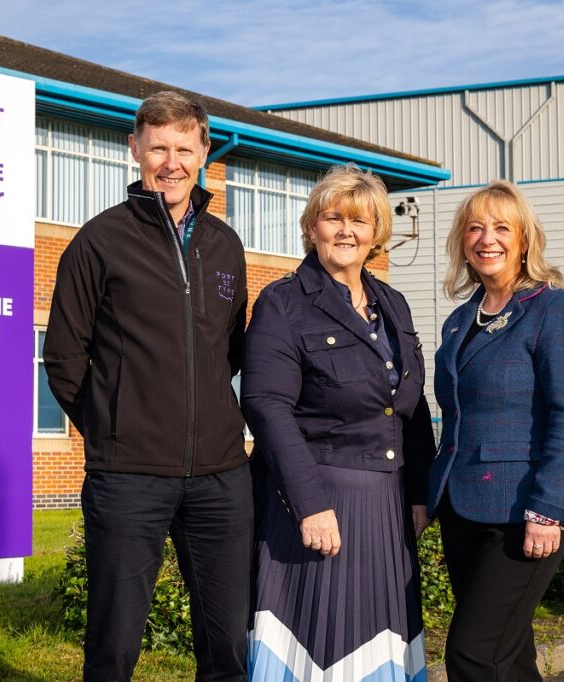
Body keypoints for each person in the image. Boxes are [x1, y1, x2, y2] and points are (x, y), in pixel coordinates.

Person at [43, 91, 251, 682]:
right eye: (158, 148)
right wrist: (114, 430)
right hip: (128, 477)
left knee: (228, 643)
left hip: (220, 477)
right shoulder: (98, 242)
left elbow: (230, 353)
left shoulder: (225, 246)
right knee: (113, 643)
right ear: (134, 149)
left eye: (184, 148)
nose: (172, 162)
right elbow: (63, 357)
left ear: (205, 151)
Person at [242, 165, 436, 681]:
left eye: (359, 221)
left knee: (380, 641)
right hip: (320, 503)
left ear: (376, 234)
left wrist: (420, 492)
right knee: (321, 646)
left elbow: (410, 407)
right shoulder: (282, 303)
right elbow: (266, 404)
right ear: (312, 228)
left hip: (387, 507)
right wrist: (311, 506)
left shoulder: (392, 303)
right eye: (334, 218)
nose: (346, 231)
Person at [428, 180, 564, 681]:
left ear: (525, 240)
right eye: (475, 228)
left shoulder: (556, 309)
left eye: (502, 228)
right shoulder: (460, 321)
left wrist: (548, 507)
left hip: (524, 511)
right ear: (463, 241)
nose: (488, 239)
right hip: (464, 510)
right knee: (509, 656)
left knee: (473, 654)